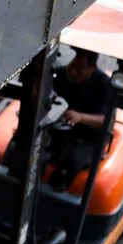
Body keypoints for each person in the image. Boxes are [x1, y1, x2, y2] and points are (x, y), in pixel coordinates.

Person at [47, 48, 113, 192]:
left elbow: (105, 120)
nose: (73, 73)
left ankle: (56, 192)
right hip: (59, 128)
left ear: (93, 68)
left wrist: (80, 117)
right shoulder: (61, 75)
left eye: (80, 70)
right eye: (72, 67)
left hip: (87, 138)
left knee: (71, 159)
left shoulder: (104, 86)